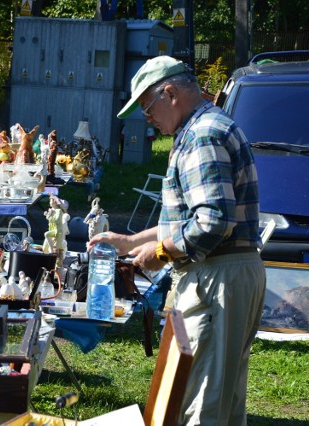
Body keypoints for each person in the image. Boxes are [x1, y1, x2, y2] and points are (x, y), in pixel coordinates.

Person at [88, 56, 265, 426]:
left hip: (217, 279)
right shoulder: (202, 128)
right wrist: (130, 240)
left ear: (170, 93)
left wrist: (161, 252)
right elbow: (191, 217)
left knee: (202, 405)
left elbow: (214, 220)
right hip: (223, 277)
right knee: (221, 401)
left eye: (147, 108)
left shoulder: (203, 135)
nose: (147, 120)